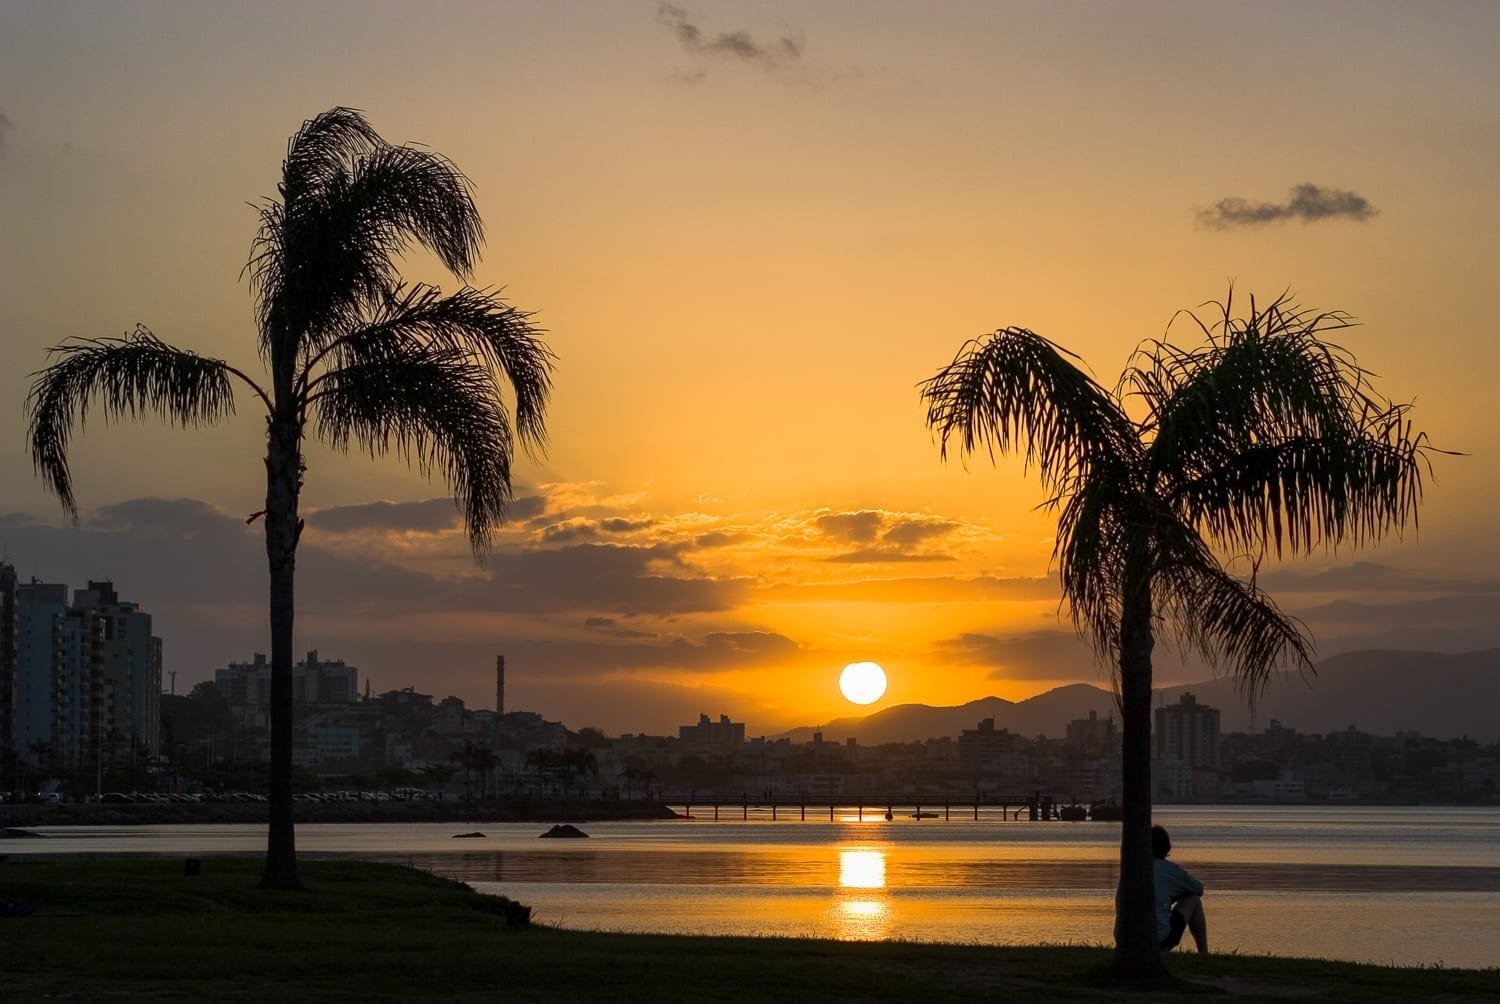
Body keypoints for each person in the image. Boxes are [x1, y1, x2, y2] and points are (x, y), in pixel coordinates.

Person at [1152, 824, 1208, 953]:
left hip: (1126, 939)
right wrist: (1177, 894)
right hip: (1158, 940)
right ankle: (1204, 953)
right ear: (1166, 848)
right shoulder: (1170, 870)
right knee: (1193, 899)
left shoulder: (1130, 870)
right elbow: (1199, 889)